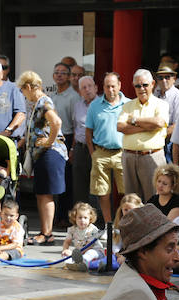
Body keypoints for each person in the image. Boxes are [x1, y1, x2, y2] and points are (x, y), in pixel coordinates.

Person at [19, 70, 67, 246]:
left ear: (29, 87)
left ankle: (47, 233)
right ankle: (45, 232)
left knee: (45, 194)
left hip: (49, 153)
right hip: (41, 154)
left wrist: (49, 141)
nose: (23, 94)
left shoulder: (44, 102)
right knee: (41, 193)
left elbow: (57, 122)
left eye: (23, 90)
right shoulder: (38, 103)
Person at [118, 69, 169, 201]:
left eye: (145, 85)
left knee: (154, 199)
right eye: (137, 86)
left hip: (151, 156)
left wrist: (134, 121)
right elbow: (120, 127)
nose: (141, 89)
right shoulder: (127, 105)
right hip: (129, 156)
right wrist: (148, 127)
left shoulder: (161, 104)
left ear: (152, 84)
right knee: (131, 200)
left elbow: (158, 123)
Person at [87, 72, 128, 223]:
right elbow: (88, 131)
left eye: (113, 86)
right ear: (103, 87)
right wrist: (93, 154)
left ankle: (124, 223)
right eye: (107, 86)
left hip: (122, 153)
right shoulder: (95, 105)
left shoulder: (128, 104)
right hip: (101, 152)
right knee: (102, 192)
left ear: (119, 86)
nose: (110, 90)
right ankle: (108, 225)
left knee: (126, 192)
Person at [71, 76, 97, 207]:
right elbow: (76, 128)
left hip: (97, 148)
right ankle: (80, 218)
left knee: (96, 186)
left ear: (96, 88)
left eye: (90, 86)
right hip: (80, 148)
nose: (87, 90)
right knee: (79, 186)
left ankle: (96, 221)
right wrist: (72, 149)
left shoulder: (102, 104)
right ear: (80, 91)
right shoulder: (77, 105)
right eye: (83, 88)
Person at [61, 201, 104, 272]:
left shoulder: (92, 229)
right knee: (67, 254)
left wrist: (75, 253)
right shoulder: (72, 229)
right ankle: (72, 264)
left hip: (95, 251)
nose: (82, 220)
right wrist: (65, 250)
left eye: (85, 218)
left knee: (90, 253)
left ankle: (82, 263)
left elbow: (89, 246)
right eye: (80, 217)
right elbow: (67, 242)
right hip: (80, 253)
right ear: (75, 218)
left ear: (90, 219)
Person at [154, 65, 179, 147]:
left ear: (174, 79)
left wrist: (156, 138)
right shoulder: (155, 94)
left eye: (167, 77)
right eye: (160, 77)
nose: (164, 80)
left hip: (171, 143)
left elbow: (177, 125)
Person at [51, 63, 80, 150]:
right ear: (53, 76)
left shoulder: (74, 97)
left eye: (63, 73)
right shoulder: (52, 96)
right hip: (53, 138)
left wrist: (72, 148)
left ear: (68, 77)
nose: (59, 75)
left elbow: (77, 125)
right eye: (56, 73)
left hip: (67, 139)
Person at [0, 198, 25, 262]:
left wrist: (0, 248)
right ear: (1, 214)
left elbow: (15, 244)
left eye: (11, 216)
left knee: (7, 254)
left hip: (15, 249)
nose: (8, 218)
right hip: (1, 247)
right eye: (5, 214)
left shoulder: (17, 228)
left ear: (16, 216)